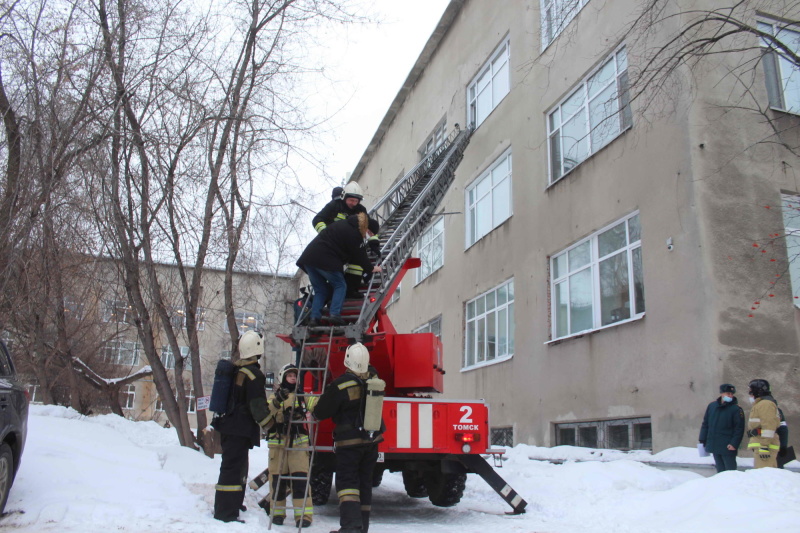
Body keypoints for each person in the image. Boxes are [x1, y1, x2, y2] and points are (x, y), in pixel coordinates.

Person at [306, 343, 385, 533]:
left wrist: (310, 403)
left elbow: (321, 411)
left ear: (348, 360)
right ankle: (361, 527)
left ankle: (350, 528)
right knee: (364, 483)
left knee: (348, 484)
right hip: (371, 442)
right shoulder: (374, 380)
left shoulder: (341, 384)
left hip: (349, 444)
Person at [212, 331, 272, 523]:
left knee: (236, 468)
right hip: (239, 428)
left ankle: (234, 504)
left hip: (229, 426)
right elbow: (257, 406)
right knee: (232, 469)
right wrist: (271, 425)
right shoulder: (253, 374)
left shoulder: (236, 369)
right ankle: (225, 513)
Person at [296, 212, 381, 327]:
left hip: (309, 259)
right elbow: (360, 255)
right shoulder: (355, 233)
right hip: (325, 259)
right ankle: (334, 314)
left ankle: (314, 318)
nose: (368, 236)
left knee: (321, 290)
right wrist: (372, 268)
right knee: (340, 285)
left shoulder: (345, 224)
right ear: (366, 227)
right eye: (370, 233)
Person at [312, 182, 380, 298]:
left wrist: (374, 242)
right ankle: (330, 296)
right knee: (333, 270)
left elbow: (369, 227)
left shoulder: (361, 210)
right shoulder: (334, 206)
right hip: (333, 245)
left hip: (351, 244)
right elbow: (317, 220)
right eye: (351, 200)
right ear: (344, 197)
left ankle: (351, 290)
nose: (353, 203)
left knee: (357, 264)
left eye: (356, 201)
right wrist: (325, 234)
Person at [265, 363, 313, 528]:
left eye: (295, 376)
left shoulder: (302, 396)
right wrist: (278, 401)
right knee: (277, 482)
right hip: (278, 446)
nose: (293, 378)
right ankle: (277, 514)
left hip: (298, 446)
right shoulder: (274, 397)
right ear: (282, 378)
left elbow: (315, 404)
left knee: (300, 481)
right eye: (289, 375)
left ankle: (303, 517)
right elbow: (266, 413)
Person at [698, 383, 744, 472]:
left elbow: (739, 428)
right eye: (728, 394)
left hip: (728, 446)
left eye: (731, 394)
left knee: (730, 471)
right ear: (722, 393)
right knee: (720, 470)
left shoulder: (736, 409)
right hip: (714, 443)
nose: (730, 396)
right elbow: (706, 424)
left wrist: (734, 443)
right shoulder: (712, 406)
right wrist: (702, 439)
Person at [746, 378, 781, 469]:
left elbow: (769, 426)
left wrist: (764, 446)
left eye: (751, 390)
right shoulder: (762, 403)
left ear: (758, 390)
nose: (750, 393)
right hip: (762, 444)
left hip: (765, 446)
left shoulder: (765, 404)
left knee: (764, 476)